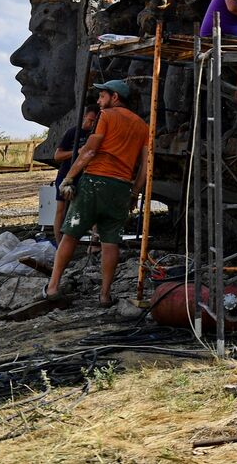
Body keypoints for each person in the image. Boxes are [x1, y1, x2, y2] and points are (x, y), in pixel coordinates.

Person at [45, 80, 149, 305]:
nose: (99, 102)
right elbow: (145, 166)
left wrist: (70, 177)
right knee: (111, 242)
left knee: (71, 233)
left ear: (115, 97)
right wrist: (134, 193)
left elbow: (90, 151)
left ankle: (52, 287)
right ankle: (104, 295)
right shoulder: (142, 126)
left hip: (94, 182)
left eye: (102, 96)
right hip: (121, 188)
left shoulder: (106, 117)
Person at [52, 104, 99, 244]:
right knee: (61, 209)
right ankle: (59, 243)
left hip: (85, 176)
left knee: (91, 208)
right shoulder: (72, 132)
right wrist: (76, 152)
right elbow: (57, 155)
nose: (91, 124)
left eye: (94, 122)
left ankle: (95, 242)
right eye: (90, 120)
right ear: (84, 117)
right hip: (66, 174)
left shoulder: (96, 135)